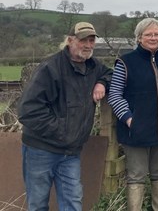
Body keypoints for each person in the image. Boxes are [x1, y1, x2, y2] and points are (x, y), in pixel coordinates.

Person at [18, 22, 112, 211]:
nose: (87, 45)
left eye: (91, 40)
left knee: (73, 202)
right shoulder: (50, 68)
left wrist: (102, 82)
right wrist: (63, 131)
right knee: (38, 204)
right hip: (40, 149)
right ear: (70, 41)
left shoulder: (94, 66)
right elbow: (28, 110)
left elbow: (110, 73)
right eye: (82, 40)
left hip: (70, 153)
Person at [107, 18, 158, 210]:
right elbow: (114, 94)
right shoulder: (125, 62)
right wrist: (129, 118)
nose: (153, 38)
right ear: (139, 38)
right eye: (148, 34)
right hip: (136, 130)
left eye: (157, 34)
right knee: (136, 175)